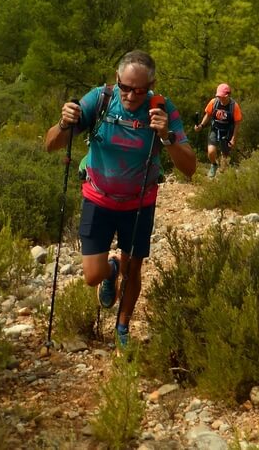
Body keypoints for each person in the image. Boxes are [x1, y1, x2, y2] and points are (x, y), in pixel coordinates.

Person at [44, 50, 196, 348]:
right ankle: (110, 270)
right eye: (125, 88)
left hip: (139, 203)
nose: (130, 96)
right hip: (98, 198)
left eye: (139, 90)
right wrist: (64, 124)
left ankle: (122, 327)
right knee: (92, 276)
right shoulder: (100, 99)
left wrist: (167, 136)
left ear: (151, 85)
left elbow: (189, 168)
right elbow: (51, 145)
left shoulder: (161, 108)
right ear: (117, 80)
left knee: (134, 269)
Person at [194, 83, 243, 178]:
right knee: (211, 152)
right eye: (219, 96)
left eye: (222, 96)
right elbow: (208, 115)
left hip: (227, 132)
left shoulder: (234, 106)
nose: (220, 98)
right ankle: (214, 165)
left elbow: (237, 123)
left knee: (224, 156)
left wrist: (233, 138)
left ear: (227, 95)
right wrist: (201, 125)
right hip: (215, 129)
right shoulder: (214, 102)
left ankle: (223, 176)